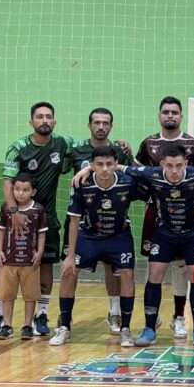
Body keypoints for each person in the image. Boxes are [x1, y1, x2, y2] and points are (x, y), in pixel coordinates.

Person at [75, 143, 194, 346]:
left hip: (193, 234)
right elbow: (115, 167)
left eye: (179, 165)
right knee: (154, 276)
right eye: (170, 166)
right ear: (162, 165)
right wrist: (87, 168)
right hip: (164, 234)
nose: (175, 171)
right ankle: (149, 329)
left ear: (186, 163)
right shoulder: (151, 174)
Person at [0, 102, 82, 337]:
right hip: (17, 219)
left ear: (54, 122)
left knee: (45, 266)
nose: (44, 120)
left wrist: (119, 146)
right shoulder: (18, 148)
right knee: (4, 264)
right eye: (39, 117)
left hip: (47, 219)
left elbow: (91, 145)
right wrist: (14, 213)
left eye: (48, 117)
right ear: (31, 122)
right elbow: (7, 182)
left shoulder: (62, 143)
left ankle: (41, 315)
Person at [51, 146, 145, 347]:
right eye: (100, 164)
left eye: (109, 164)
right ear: (91, 166)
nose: (104, 169)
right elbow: (74, 221)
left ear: (116, 165)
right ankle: (65, 326)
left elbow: (152, 189)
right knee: (68, 271)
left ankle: (126, 329)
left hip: (119, 236)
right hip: (89, 235)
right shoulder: (82, 184)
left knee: (127, 274)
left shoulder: (128, 183)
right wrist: (70, 254)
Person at [134, 96, 194, 340]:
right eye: (166, 112)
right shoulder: (149, 143)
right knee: (154, 267)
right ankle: (151, 321)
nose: (170, 116)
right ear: (159, 116)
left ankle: (179, 317)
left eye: (174, 112)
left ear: (182, 116)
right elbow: (137, 175)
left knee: (183, 266)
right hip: (156, 212)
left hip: (187, 213)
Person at [63, 108, 134, 335]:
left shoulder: (119, 151)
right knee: (69, 266)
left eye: (105, 123)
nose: (101, 126)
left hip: (115, 220)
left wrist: (130, 155)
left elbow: (135, 172)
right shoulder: (76, 150)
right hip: (84, 219)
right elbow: (58, 169)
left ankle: (115, 313)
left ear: (111, 127)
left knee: (113, 269)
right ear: (89, 125)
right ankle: (65, 319)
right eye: (96, 122)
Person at [0, 173, 47, 340]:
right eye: (17, 189)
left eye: (25, 190)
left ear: (33, 191)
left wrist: (39, 252)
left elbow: (41, 233)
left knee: (30, 295)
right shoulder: (6, 208)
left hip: (29, 260)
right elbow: (0, 230)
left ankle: (27, 326)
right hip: (9, 259)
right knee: (7, 294)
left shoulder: (37, 210)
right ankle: (7, 326)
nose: (20, 193)